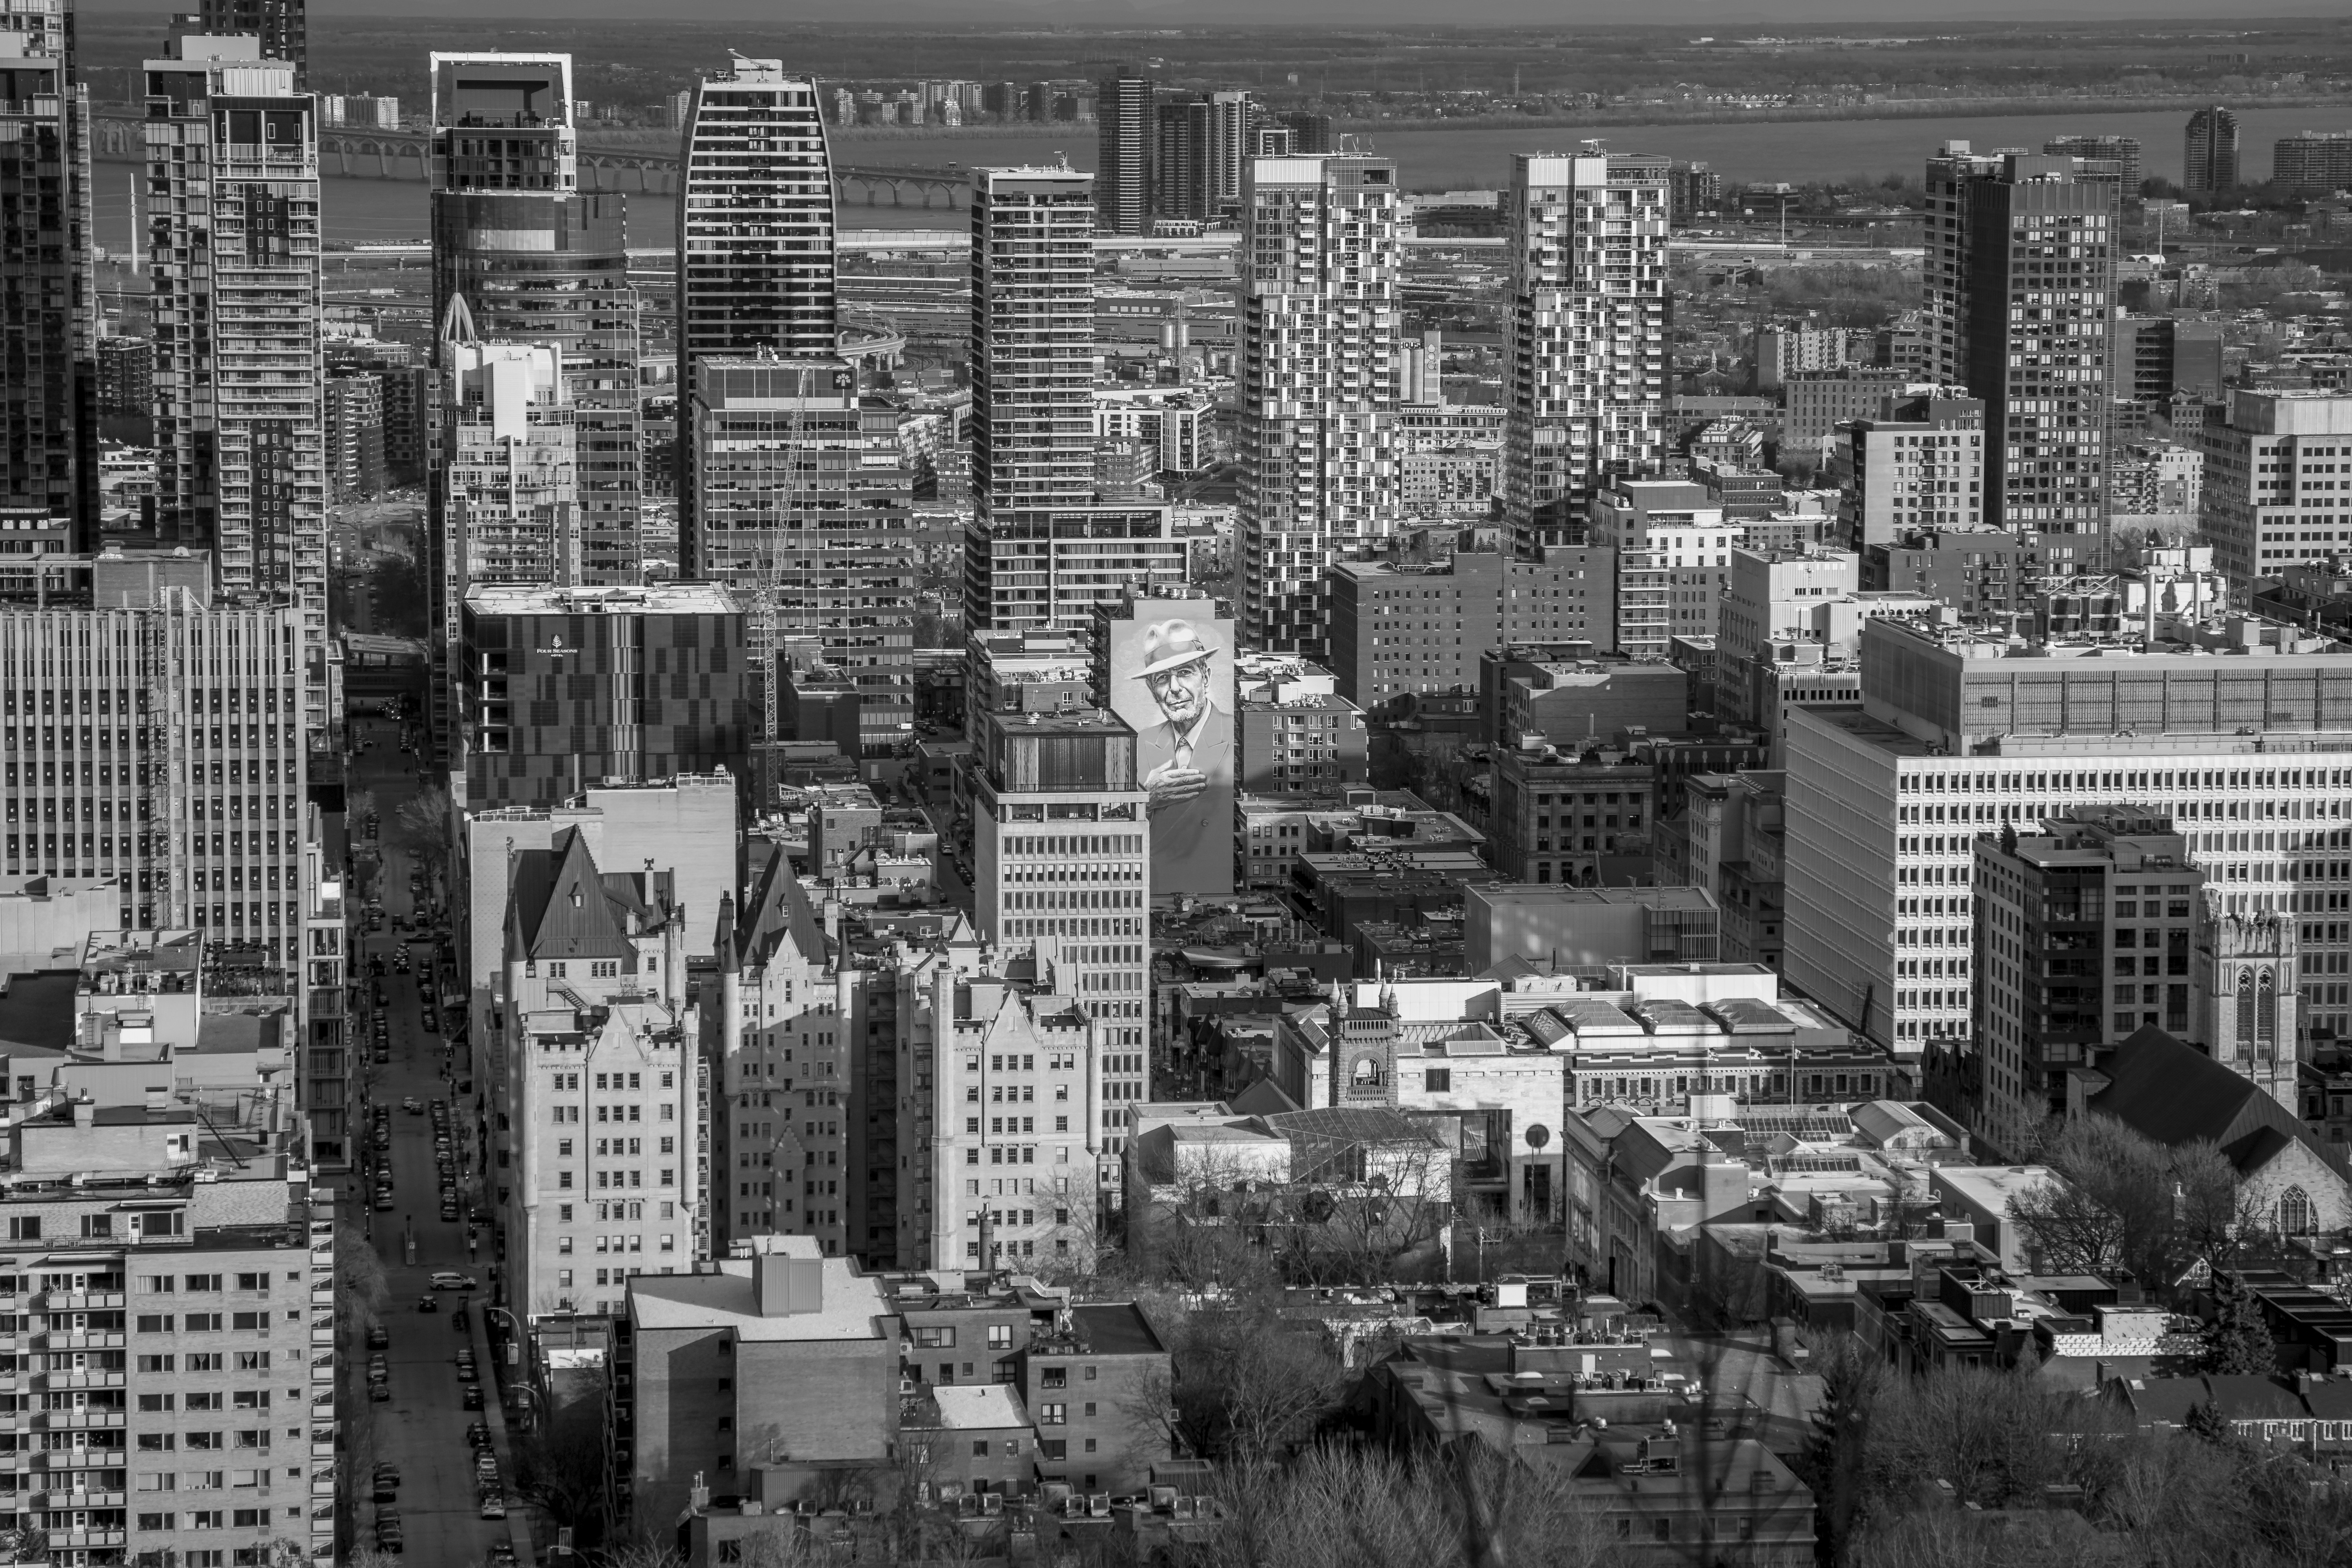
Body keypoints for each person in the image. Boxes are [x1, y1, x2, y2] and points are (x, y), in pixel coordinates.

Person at [1128, 620, 1231, 877]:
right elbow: (1111, 824)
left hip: (1214, 880)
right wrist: (1147, 799)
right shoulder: (1138, 744)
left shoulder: (1237, 735)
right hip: (1154, 884)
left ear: (1206, 678)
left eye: (1185, 672)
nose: (1174, 688)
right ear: (1152, 690)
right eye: (1163, 678)